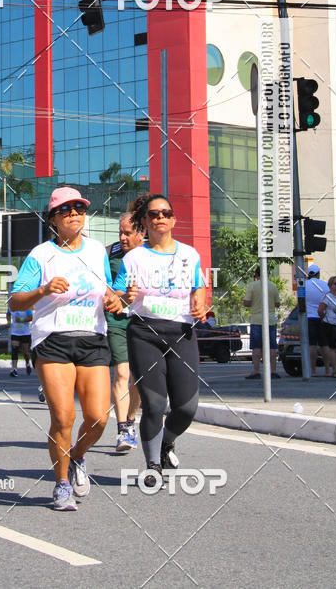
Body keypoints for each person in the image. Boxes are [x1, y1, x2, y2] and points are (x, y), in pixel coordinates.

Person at [9, 186, 122, 511]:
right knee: (63, 416)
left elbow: (110, 290)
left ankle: (77, 456)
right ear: (54, 219)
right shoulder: (41, 255)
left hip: (92, 338)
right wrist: (43, 290)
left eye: (80, 208)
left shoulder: (98, 250)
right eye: (66, 209)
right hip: (53, 339)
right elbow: (16, 301)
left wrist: (115, 298)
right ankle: (60, 485)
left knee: (99, 418)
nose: (75, 213)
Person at [113, 193, 206, 487]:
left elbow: (198, 289)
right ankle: (153, 465)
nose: (160, 218)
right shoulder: (134, 258)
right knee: (154, 404)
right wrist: (124, 297)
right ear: (145, 222)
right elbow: (115, 296)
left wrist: (200, 305)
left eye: (166, 213)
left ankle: (168, 441)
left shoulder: (190, 254)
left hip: (182, 333)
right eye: (154, 214)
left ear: (174, 219)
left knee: (186, 407)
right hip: (145, 332)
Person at [107, 212, 143, 453]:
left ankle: (130, 420)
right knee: (121, 373)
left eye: (127, 233)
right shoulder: (110, 254)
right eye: (120, 232)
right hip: (116, 321)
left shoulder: (153, 257)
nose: (122, 237)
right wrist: (122, 295)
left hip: (143, 322)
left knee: (138, 379)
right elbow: (105, 290)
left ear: (142, 234)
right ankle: (122, 430)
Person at [243, 267, 280, 379]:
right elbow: (277, 303)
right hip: (270, 320)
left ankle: (256, 371)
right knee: (272, 347)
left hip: (256, 319)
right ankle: (273, 371)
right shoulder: (273, 286)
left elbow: (247, 302)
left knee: (256, 347)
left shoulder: (252, 286)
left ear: (256, 275)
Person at [305, 263, 330, 376]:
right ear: (318, 274)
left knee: (312, 345)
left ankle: (313, 371)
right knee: (324, 345)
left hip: (309, 318)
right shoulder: (325, 286)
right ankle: (327, 370)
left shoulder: (304, 285)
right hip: (322, 317)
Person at [10, 308, 33, 376]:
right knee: (14, 350)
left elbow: (30, 318)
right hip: (15, 333)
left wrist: (21, 320)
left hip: (25, 333)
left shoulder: (26, 308)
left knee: (25, 352)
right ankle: (14, 369)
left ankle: (28, 363)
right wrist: (8, 322)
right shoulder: (12, 307)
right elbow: (8, 314)